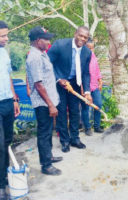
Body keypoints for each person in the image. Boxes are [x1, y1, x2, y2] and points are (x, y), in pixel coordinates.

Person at [48, 26, 92, 153]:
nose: (82, 39)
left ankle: (75, 139)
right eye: (80, 35)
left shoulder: (87, 52)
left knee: (75, 112)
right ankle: (65, 141)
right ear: (75, 34)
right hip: (60, 83)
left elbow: (85, 73)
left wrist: (87, 91)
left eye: (85, 37)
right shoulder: (60, 45)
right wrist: (58, 79)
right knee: (61, 113)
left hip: (75, 84)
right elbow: (48, 63)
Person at [26, 26, 62, 175]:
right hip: (43, 103)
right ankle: (46, 165)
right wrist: (50, 105)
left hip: (48, 101)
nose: (48, 42)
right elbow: (38, 85)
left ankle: (49, 156)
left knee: (48, 131)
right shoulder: (34, 58)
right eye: (45, 39)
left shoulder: (42, 54)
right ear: (36, 40)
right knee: (44, 133)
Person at [0, 20, 20, 200]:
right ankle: (1, 187)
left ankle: (5, 178)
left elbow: (8, 76)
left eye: (6, 34)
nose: (6, 38)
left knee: (7, 142)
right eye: (3, 36)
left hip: (7, 101)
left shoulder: (4, 53)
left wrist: (14, 99)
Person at [80, 39, 103, 135]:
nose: (90, 50)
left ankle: (97, 126)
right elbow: (79, 74)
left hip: (95, 86)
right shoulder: (81, 57)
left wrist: (100, 81)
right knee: (85, 107)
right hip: (85, 87)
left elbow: (97, 69)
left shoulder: (93, 56)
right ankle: (87, 128)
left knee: (98, 105)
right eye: (88, 48)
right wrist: (81, 87)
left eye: (92, 48)